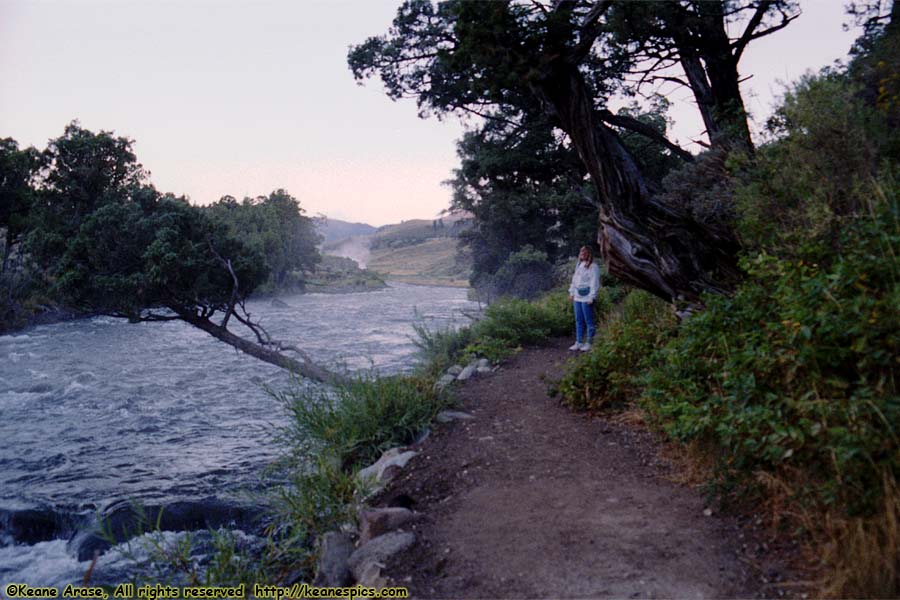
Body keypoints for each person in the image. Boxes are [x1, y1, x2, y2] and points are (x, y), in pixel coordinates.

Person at [567, 246, 601, 351]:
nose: (582, 253)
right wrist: (571, 292)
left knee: (589, 320)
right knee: (578, 320)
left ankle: (590, 342)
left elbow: (594, 282)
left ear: (589, 254)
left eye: (585, 252)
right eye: (581, 251)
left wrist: (592, 296)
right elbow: (575, 280)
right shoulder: (579, 265)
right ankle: (579, 342)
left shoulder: (593, 267)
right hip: (577, 296)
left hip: (587, 297)